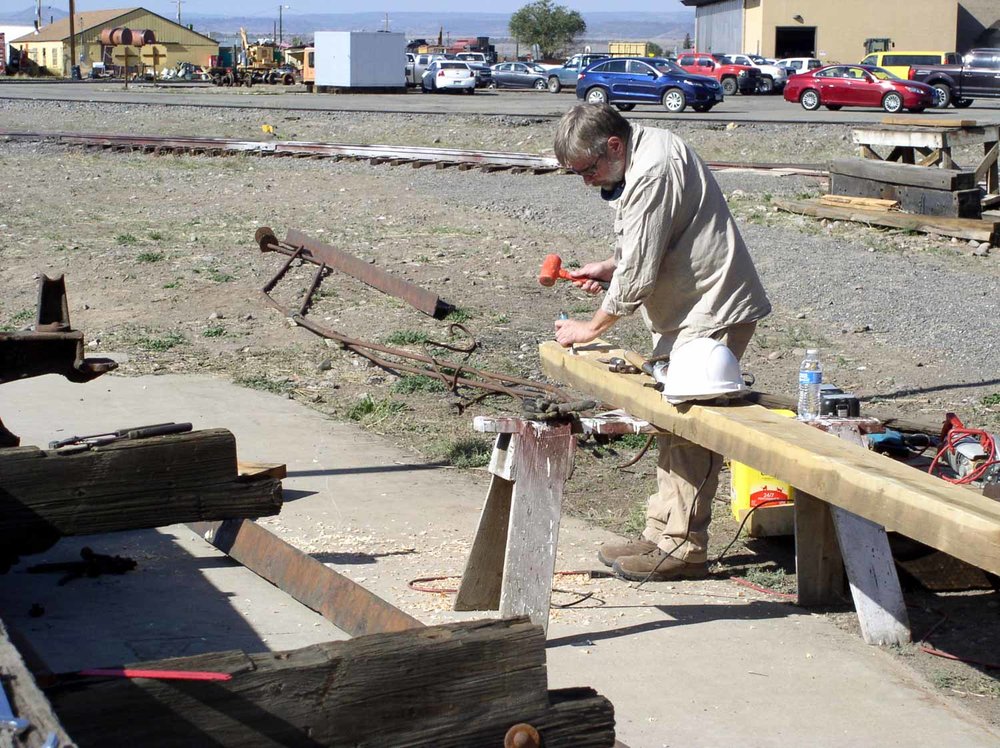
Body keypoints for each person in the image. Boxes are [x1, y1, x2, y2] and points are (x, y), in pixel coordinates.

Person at [552, 103, 771, 582]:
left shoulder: (653, 170)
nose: (587, 182)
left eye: (588, 170)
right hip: (689, 309)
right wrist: (611, 267)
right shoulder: (639, 154)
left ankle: (683, 548)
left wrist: (591, 327)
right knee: (672, 421)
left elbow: (638, 274)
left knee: (691, 425)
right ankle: (661, 534)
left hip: (713, 309)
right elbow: (645, 247)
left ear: (614, 144)